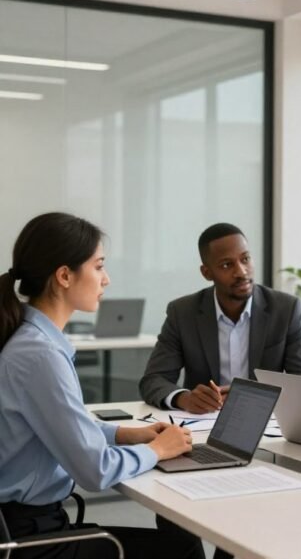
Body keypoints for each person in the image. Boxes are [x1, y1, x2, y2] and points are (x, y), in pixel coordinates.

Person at [0, 212, 203, 559]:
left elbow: (57, 426)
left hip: (27, 524)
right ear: (64, 276)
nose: (106, 279)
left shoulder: (30, 342)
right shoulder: (40, 355)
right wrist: (158, 450)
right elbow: (96, 471)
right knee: (180, 548)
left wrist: (123, 434)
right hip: (32, 540)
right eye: (98, 266)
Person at [139, 223, 301, 413]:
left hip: (265, 420)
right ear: (207, 273)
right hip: (204, 424)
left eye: (245, 259)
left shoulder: (285, 310)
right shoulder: (183, 313)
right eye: (227, 265)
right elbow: (153, 380)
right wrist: (184, 398)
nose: (241, 272)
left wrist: (251, 395)